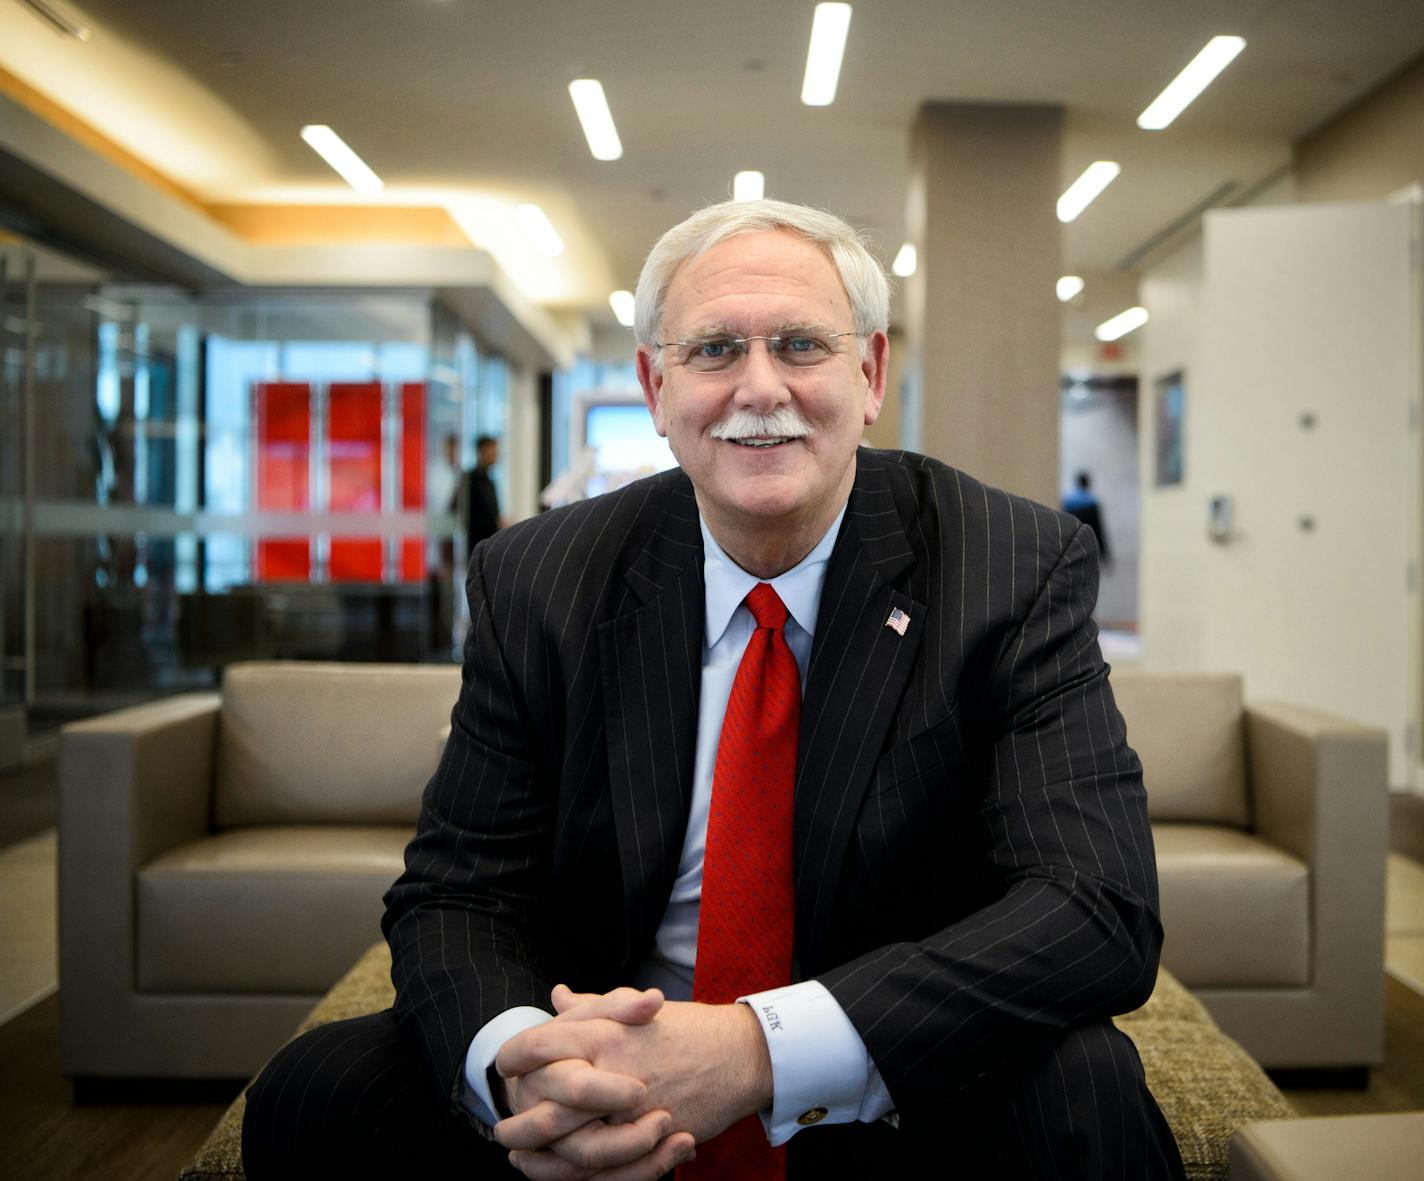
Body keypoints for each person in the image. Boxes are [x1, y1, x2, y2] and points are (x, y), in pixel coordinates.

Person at [243, 199, 1184, 1180]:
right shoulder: (537, 579)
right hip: (604, 1052)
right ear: (656, 384)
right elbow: (456, 890)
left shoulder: (1009, 565)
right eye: (714, 350)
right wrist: (526, 1065)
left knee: (1083, 1089)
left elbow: (1094, 905)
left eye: (799, 344)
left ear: (867, 375)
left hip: (886, 1065)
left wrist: (756, 1049)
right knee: (317, 1093)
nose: (759, 387)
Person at [455, 434, 503, 558]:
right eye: (492, 450)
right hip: (475, 543)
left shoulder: (490, 481)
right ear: (481, 452)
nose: (495, 454)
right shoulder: (469, 479)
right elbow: (459, 510)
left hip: (490, 542)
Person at [1063, 469, 1112, 564]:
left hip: (1070, 544)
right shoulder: (1092, 502)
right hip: (1087, 544)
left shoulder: (1068, 500)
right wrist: (1104, 552)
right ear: (1087, 484)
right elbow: (1098, 529)